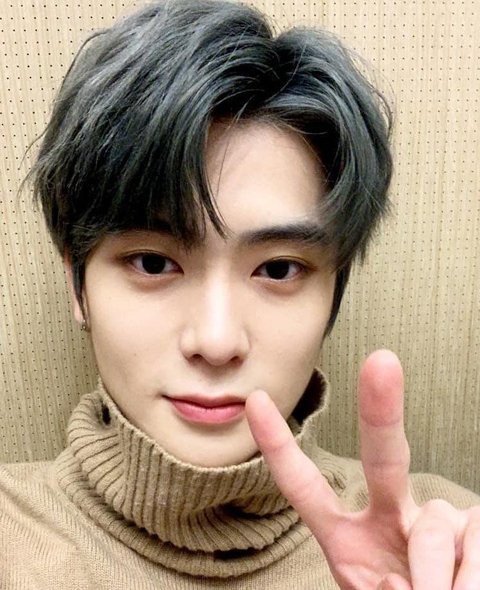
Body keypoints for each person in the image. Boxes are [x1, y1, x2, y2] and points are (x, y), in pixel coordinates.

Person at [1, 0, 479, 588]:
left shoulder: (444, 546)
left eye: (278, 269)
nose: (217, 341)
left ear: (335, 288)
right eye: (153, 262)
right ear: (77, 281)